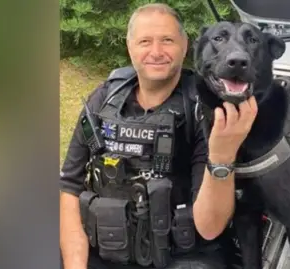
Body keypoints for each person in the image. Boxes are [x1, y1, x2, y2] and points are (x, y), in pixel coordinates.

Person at [59, 3, 258, 269]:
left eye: (167, 40)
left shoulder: (203, 108)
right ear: (130, 47)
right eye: (145, 41)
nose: (156, 52)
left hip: (182, 257)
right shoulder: (104, 100)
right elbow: (70, 188)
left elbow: (210, 227)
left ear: (184, 46)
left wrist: (222, 156)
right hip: (106, 251)